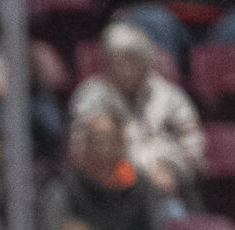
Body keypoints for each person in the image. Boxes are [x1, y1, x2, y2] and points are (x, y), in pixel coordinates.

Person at [69, 21, 202, 209]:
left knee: (175, 212)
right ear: (109, 61)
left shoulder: (169, 95)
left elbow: (193, 144)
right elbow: (81, 151)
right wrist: (135, 178)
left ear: (147, 62)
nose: (127, 67)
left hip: (167, 188)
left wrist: (173, 172)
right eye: (121, 59)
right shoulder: (90, 97)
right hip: (109, 193)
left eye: (134, 59)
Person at [40, 109, 162, 230]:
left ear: (121, 143)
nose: (103, 146)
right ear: (86, 144)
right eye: (96, 140)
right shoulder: (66, 187)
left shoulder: (141, 185)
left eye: (110, 139)